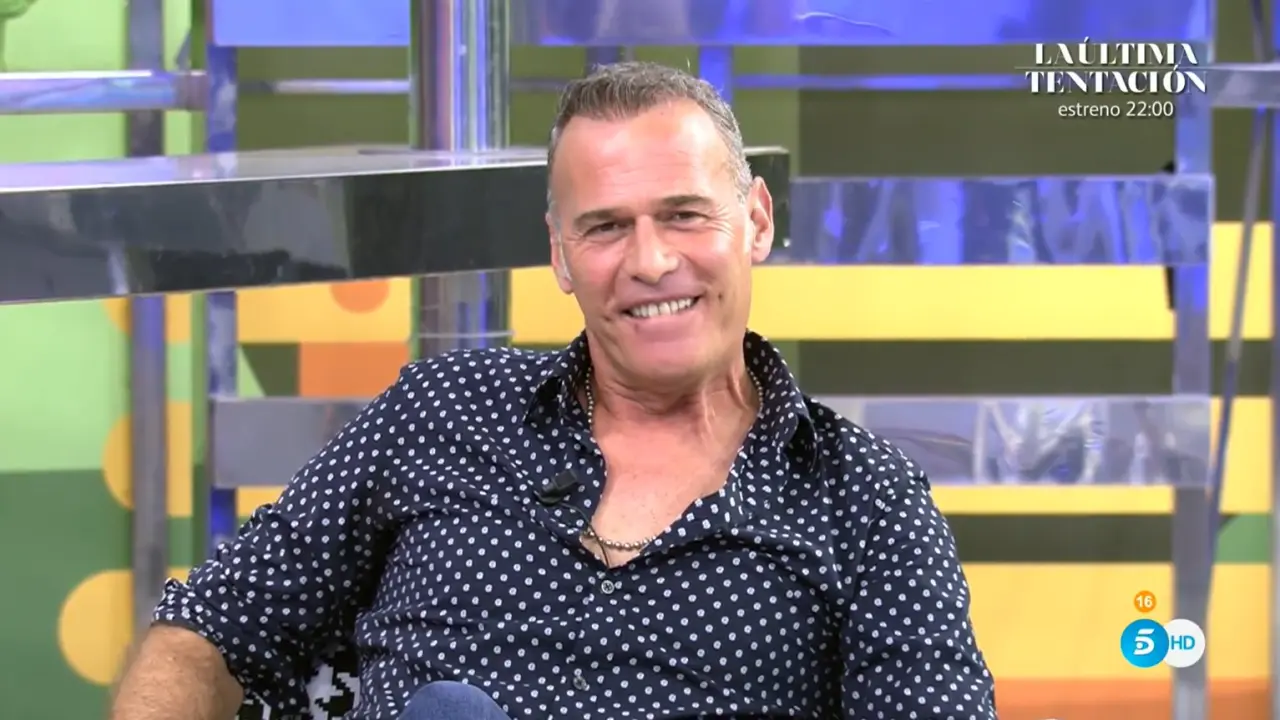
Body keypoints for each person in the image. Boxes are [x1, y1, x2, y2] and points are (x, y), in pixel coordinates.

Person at [110, 61, 996, 720]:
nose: (651, 261)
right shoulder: (441, 412)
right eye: (605, 228)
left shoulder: (863, 499)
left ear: (755, 221)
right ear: (560, 255)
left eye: (684, 215)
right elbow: (207, 630)